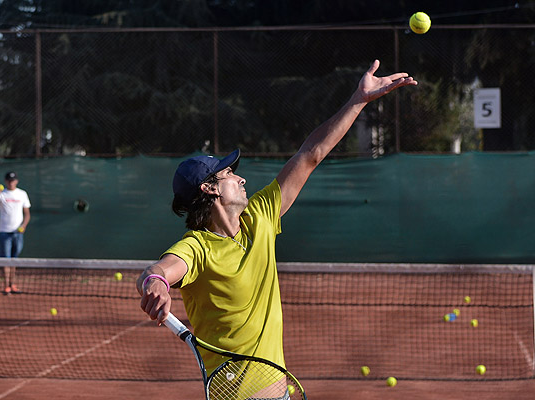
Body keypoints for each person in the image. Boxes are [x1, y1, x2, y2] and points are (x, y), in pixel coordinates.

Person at [137, 60, 417, 374]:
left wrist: (358, 100)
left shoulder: (260, 216)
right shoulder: (198, 248)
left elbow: (310, 155)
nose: (241, 179)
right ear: (210, 188)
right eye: (229, 174)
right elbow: (159, 270)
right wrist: (155, 284)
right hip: (234, 394)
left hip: (278, 389)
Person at [0, 171, 31, 295]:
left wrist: (23, 226)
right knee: (6, 260)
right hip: (4, 232)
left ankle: (13, 284)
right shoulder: (1, 194)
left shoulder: (22, 194)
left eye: (13, 180)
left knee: (14, 260)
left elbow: (27, 214)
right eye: (9, 181)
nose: (11, 183)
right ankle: (6, 286)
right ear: (6, 181)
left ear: (17, 181)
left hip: (18, 233)